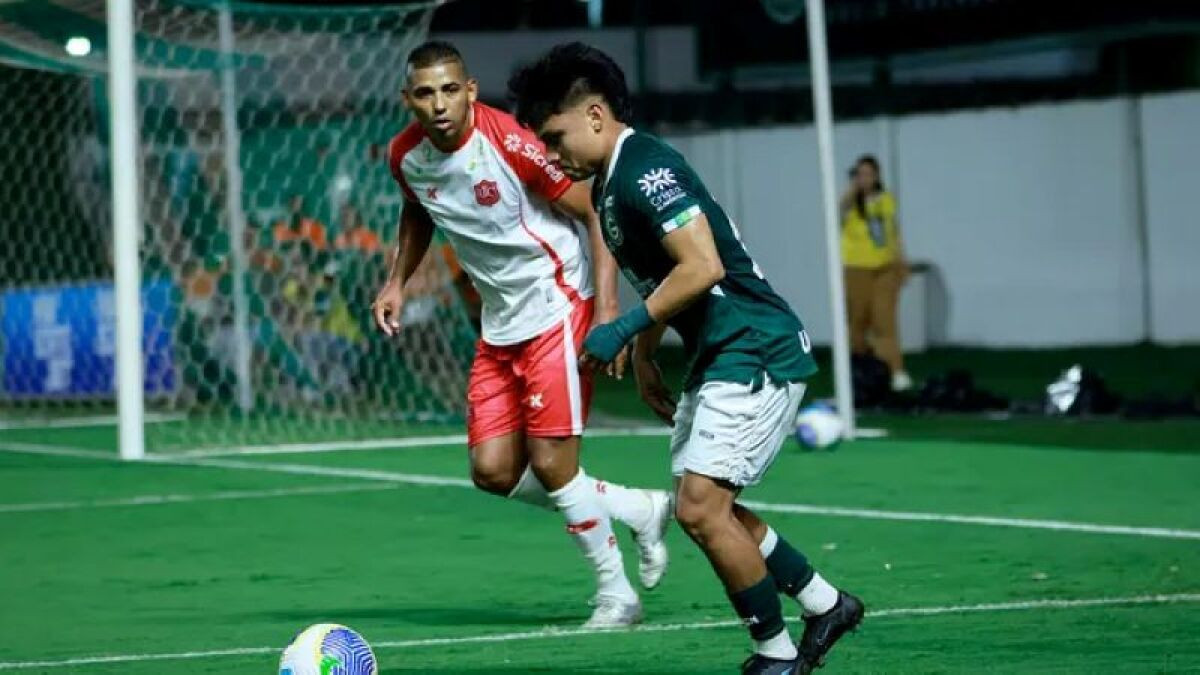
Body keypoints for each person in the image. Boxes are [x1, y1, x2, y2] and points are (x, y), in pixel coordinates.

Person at [509, 42, 864, 674]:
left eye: (555, 137)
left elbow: (703, 265)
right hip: (719, 350)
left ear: (595, 115)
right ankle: (824, 602)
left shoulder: (646, 168)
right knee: (705, 508)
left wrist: (621, 329)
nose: (553, 156)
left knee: (701, 508)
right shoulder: (611, 185)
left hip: (755, 345)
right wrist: (648, 355)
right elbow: (665, 278)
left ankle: (775, 657)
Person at [371, 41, 671, 629]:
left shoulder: (508, 143)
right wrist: (396, 282)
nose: (439, 104)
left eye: (450, 90)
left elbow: (592, 210)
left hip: (557, 303)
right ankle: (640, 508)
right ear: (408, 100)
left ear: (471, 91)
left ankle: (617, 596)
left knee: (555, 464)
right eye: (426, 93)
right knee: (492, 471)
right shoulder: (405, 155)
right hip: (501, 321)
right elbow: (418, 209)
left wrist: (608, 310)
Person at [840, 155, 913, 392]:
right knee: (858, 323)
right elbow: (839, 209)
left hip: (885, 268)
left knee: (885, 321)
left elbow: (894, 232)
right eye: (860, 174)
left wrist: (902, 261)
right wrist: (853, 190)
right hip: (856, 269)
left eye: (869, 174)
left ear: (877, 176)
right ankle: (862, 369)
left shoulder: (886, 200)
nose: (865, 179)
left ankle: (895, 370)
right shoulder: (850, 202)